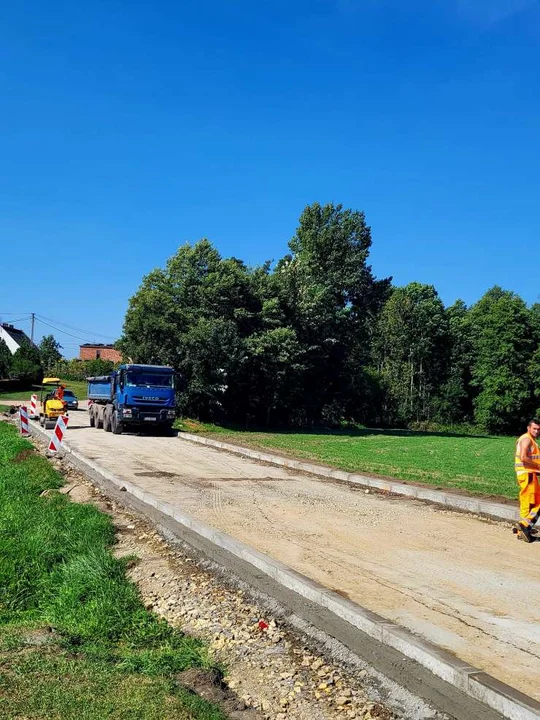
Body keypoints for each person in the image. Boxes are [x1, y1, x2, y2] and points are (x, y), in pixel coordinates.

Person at [514, 418, 540, 543]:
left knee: (527, 504)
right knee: (537, 504)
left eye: (538, 429)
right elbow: (524, 458)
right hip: (528, 475)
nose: (536, 431)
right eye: (534, 428)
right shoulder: (526, 439)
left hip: (527, 475)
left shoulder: (530, 440)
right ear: (528, 428)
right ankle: (525, 525)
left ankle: (522, 532)